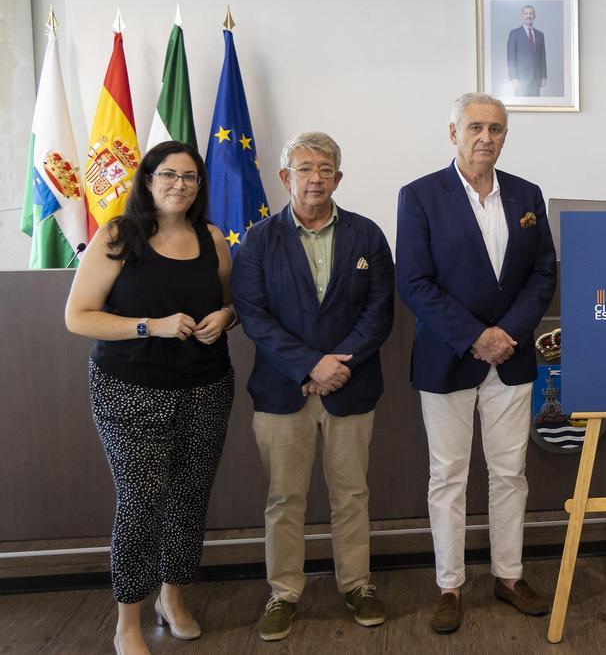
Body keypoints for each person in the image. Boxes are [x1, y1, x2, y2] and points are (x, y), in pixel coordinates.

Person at [64, 140, 236, 655]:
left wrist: (227, 317)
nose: (178, 185)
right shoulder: (119, 235)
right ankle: (128, 621)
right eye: (168, 175)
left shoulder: (211, 238)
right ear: (147, 179)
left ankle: (173, 599)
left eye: (189, 177)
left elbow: (230, 303)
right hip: (128, 391)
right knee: (140, 504)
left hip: (207, 387)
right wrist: (150, 326)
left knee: (189, 499)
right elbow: (78, 316)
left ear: (199, 186)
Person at [395, 92, 557, 634]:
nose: (486, 137)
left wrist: (506, 334)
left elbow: (542, 275)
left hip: (510, 359)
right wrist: (475, 337)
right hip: (448, 360)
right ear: (453, 132)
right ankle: (450, 585)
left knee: (510, 473)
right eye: (475, 128)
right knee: (449, 476)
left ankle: (509, 577)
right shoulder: (419, 196)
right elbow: (414, 281)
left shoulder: (527, 194)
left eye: (496, 128)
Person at [230, 132, 395, 642]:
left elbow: (379, 312)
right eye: (304, 168)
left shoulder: (367, 235)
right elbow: (254, 316)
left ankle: (357, 584)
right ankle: (284, 592)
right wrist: (309, 366)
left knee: (352, 495)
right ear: (286, 177)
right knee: (285, 499)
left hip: (350, 387)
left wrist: (335, 366)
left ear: (338, 179)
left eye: (325, 169)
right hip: (283, 392)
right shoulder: (258, 239)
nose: (315, 177)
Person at [506, 5, 547, 96]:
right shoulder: (514, 33)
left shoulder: (540, 35)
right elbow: (510, 58)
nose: (529, 16)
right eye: (526, 13)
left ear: (534, 16)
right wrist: (513, 78)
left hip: (536, 78)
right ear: (522, 15)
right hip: (520, 79)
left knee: (536, 106)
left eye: (531, 13)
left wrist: (543, 76)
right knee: (522, 105)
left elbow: (542, 57)